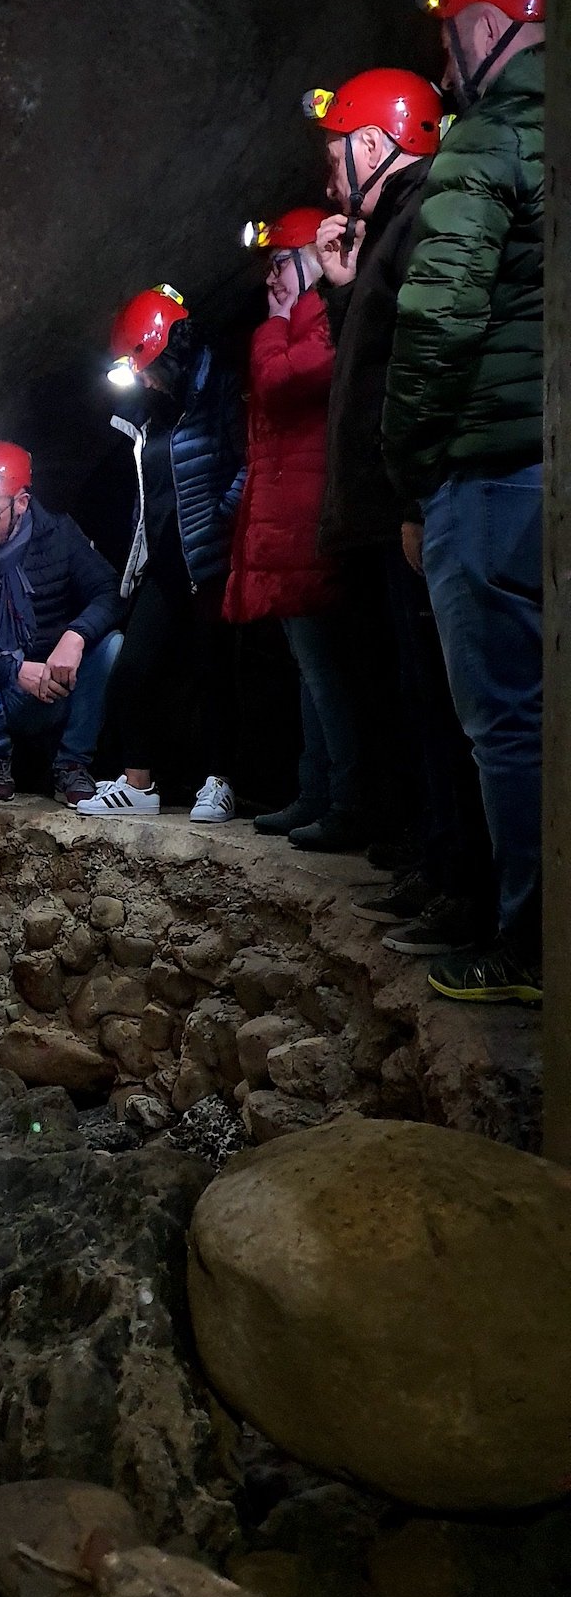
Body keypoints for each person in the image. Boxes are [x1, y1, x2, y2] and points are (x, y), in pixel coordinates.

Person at [382, 0, 546, 1005]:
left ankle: (530, 948)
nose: (447, 69)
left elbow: (439, 317)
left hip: (487, 470)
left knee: (506, 718)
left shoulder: (488, 139)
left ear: (489, 27)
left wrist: (409, 470)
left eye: (451, 39)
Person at [305, 66, 495, 950]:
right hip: (397, 510)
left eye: (338, 143)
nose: (329, 165)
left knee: (451, 705)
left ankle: (469, 885)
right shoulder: (393, 227)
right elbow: (373, 358)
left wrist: (417, 493)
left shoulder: (422, 215)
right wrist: (344, 290)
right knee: (419, 698)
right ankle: (440, 860)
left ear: (375, 144)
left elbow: (424, 361)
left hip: (416, 505)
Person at [77, 286, 245, 822]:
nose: (142, 377)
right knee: (132, 667)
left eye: (147, 366)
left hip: (213, 554)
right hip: (166, 556)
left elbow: (249, 458)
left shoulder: (220, 387)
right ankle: (137, 784)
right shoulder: (154, 408)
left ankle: (220, 782)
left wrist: (225, 516)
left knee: (215, 667)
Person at [224, 208, 363, 851]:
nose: (271, 280)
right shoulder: (296, 322)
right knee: (312, 669)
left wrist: (278, 320)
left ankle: (350, 802)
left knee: (327, 671)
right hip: (291, 527)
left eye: (281, 263)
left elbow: (279, 383)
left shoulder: (322, 320)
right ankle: (316, 794)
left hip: (310, 527)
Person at [0, 440, 123, 804]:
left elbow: (110, 592)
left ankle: (72, 764)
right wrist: (13, 670)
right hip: (0, 688)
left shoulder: (59, 534)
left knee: (112, 645)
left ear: (21, 502)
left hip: (61, 683)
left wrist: (76, 636)